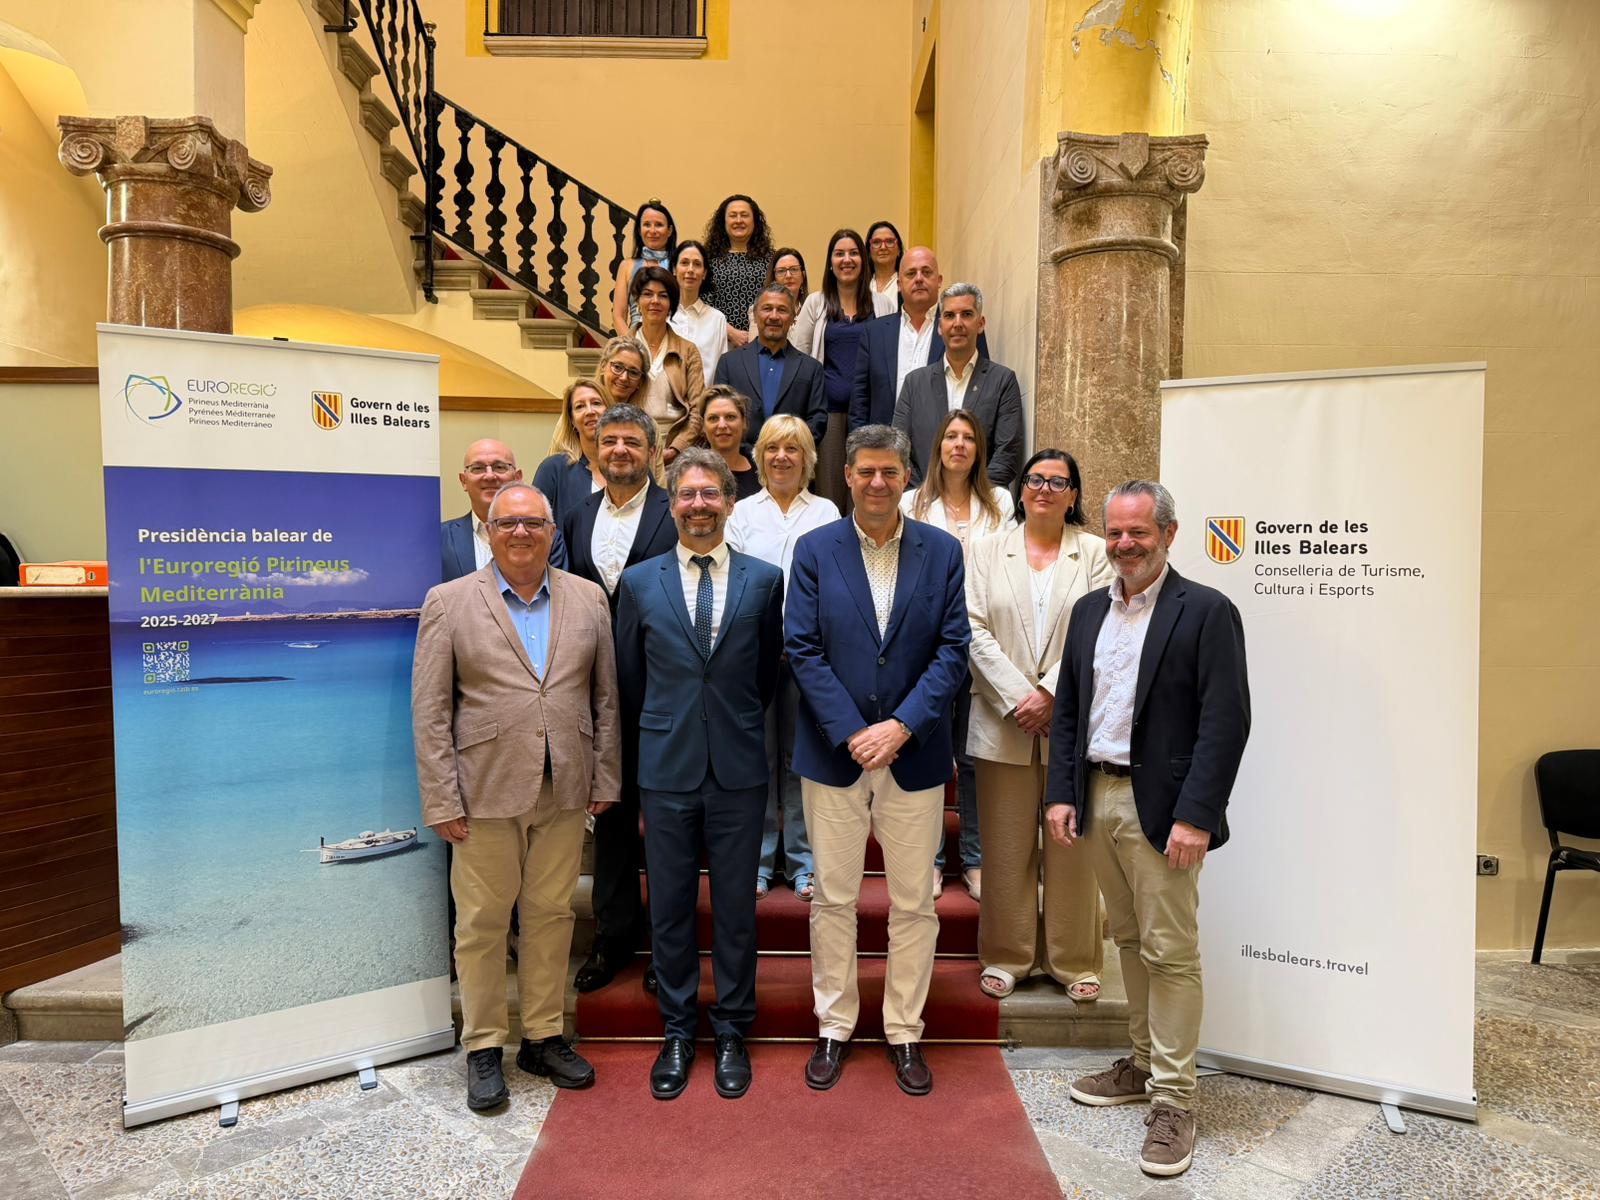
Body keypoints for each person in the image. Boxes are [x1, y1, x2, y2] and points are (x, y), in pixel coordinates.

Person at [1045, 480, 1250, 1179]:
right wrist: (1061, 793)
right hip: (1097, 796)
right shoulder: (1086, 613)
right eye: (1116, 533)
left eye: (1139, 532)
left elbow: (1227, 722)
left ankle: (1175, 1100)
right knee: (1127, 939)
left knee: (1170, 952)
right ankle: (1140, 1064)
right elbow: (1071, 708)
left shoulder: (1206, 612)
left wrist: (1197, 814)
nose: (1125, 545)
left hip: (1163, 811)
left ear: (1168, 532)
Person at [412, 483, 621, 1111]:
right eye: (508, 524)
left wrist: (605, 778)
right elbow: (429, 711)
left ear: (552, 530)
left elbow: (605, 698)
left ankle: (542, 1036)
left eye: (534, 523)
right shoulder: (449, 602)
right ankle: (482, 1046)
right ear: (490, 530)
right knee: (480, 925)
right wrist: (441, 798)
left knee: (551, 916)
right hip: (482, 792)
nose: (522, 533)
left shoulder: (588, 598)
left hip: (565, 787)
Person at [785, 424, 970, 1097]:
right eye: (865, 471)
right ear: (847, 477)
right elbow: (801, 647)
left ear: (908, 478)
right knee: (832, 897)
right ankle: (834, 1024)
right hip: (835, 754)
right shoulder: (814, 550)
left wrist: (900, 726)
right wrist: (853, 731)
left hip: (913, 754)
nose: (876, 483)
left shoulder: (943, 552)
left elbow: (953, 649)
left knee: (914, 902)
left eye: (890, 472)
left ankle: (903, 1030)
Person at [615, 448, 785, 1101]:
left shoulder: (764, 581)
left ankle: (734, 1029)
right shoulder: (638, 583)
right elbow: (631, 681)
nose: (697, 505)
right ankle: (680, 1031)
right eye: (685, 495)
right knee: (672, 910)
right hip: (666, 767)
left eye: (709, 493)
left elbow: (767, 675)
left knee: (738, 909)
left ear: (729, 501)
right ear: (671, 503)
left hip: (739, 769)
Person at [966, 450, 1111, 1005]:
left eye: (1059, 482)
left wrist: (1051, 692)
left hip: (1071, 720)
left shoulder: (1095, 554)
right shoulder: (984, 552)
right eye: (1036, 480)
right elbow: (971, 627)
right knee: (1004, 849)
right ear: (1020, 490)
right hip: (1002, 721)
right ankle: (1007, 955)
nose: (1045, 489)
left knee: (1072, 845)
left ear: (1074, 494)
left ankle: (1074, 959)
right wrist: (1019, 695)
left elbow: (1101, 626)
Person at [561, 405, 681, 995]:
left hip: (661, 693)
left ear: (652, 451)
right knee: (607, 820)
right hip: (589, 694)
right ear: (595, 449)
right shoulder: (575, 515)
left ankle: (666, 946)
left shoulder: (674, 511)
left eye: (632, 441)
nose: (619, 451)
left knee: (661, 825)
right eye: (609, 441)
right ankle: (613, 938)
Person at [900, 410, 1016, 900]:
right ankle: (926, 858)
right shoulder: (911, 502)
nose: (959, 445)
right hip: (928, 642)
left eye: (969, 438)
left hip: (983, 641)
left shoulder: (1001, 503)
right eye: (951, 435)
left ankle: (974, 857)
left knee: (971, 757)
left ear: (979, 449)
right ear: (937, 445)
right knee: (928, 753)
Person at [726, 416, 840, 900]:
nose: (781, 457)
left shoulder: (828, 512)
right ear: (760, 456)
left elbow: (838, 587)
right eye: (772, 448)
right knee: (757, 758)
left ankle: (802, 860)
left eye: (793, 449)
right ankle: (757, 856)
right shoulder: (742, 514)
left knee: (799, 760)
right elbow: (731, 584)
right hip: (752, 655)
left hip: (810, 657)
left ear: (808, 458)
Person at [893, 283, 1023, 487]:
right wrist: (925, 495)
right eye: (950, 315)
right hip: (923, 505)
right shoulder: (914, 383)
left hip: (982, 507)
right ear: (939, 326)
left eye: (967, 314)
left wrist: (971, 497)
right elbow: (899, 450)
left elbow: (1008, 454)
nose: (958, 323)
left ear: (980, 324)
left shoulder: (1002, 381)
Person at [849, 247, 989, 431]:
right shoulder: (874, 332)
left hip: (943, 448)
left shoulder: (961, 328)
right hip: (885, 450)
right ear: (899, 284)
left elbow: (982, 384)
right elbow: (860, 399)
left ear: (939, 281)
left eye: (926, 272)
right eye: (911, 273)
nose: (919, 278)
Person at [792, 229, 875, 511]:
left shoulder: (882, 303)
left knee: (866, 487)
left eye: (853, 253)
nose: (846, 259)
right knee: (830, 492)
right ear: (830, 262)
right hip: (829, 414)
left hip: (869, 413)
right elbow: (799, 354)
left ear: (863, 260)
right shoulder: (816, 302)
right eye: (839, 254)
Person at [713, 283, 827, 445]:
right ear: (755, 314)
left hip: (789, 463)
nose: (774, 316)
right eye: (767, 308)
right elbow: (720, 414)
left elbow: (817, 421)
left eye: (782, 310)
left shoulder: (811, 369)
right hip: (739, 462)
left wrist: (785, 450)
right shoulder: (729, 363)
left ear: (794, 317)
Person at [630, 266, 705, 463]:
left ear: (671, 304)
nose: (655, 301)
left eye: (663, 296)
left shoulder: (688, 351)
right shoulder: (621, 349)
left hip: (676, 453)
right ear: (637, 301)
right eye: (647, 294)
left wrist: (675, 449)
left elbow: (698, 411)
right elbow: (606, 400)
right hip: (630, 447)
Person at [532, 380, 610, 528]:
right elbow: (534, 527)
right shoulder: (553, 469)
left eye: (596, 403)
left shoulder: (629, 465)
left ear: (610, 411)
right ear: (572, 420)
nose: (590, 411)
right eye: (580, 406)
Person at [703, 193, 774, 348]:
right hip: (719, 341)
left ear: (755, 221)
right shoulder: (707, 259)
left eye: (744, 215)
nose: (739, 220)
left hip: (763, 342)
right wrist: (729, 332)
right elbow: (702, 304)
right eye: (733, 215)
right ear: (724, 222)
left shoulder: (771, 259)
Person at [611, 199, 677, 334]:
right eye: (647, 224)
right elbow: (618, 316)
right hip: (636, 338)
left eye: (659, 225)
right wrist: (633, 346)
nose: (652, 231)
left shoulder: (679, 264)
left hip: (674, 336)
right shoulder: (626, 266)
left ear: (669, 230)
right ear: (639, 230)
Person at [668, 239, 728, 384]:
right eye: (684, 263)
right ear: (674, 270)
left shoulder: (717, 319)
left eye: (697, 264)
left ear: (704, 273)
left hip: (703, 403)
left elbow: (721, 372)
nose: (690, 270)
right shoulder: (662, 315)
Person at [698, 384, 760, 499]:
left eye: (730, 417)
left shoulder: (762, 472)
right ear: (703, 426)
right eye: (713, 418)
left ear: (744, 422)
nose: (722, 425)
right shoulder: (691, 472)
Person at [745, 248, 810, 350]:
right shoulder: (760, 310)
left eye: (794, 269)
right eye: (781, 271)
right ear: (774, 278)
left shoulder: (812, 309)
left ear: (803, 275)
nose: (788, 276)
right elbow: (756, 351)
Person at [595, 336, 649, 409]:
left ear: (640, 381)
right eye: (617, 367)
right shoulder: (588, 414)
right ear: (603, 367)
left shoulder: (644, 420)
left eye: (633, 372)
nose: (624, 378)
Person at [865, 220, 904, 317]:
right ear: (869, 251)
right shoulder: (860, 284)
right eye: (876, 242)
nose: (883, 247)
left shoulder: (906, 283)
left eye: (889, 242)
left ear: (899, 249)